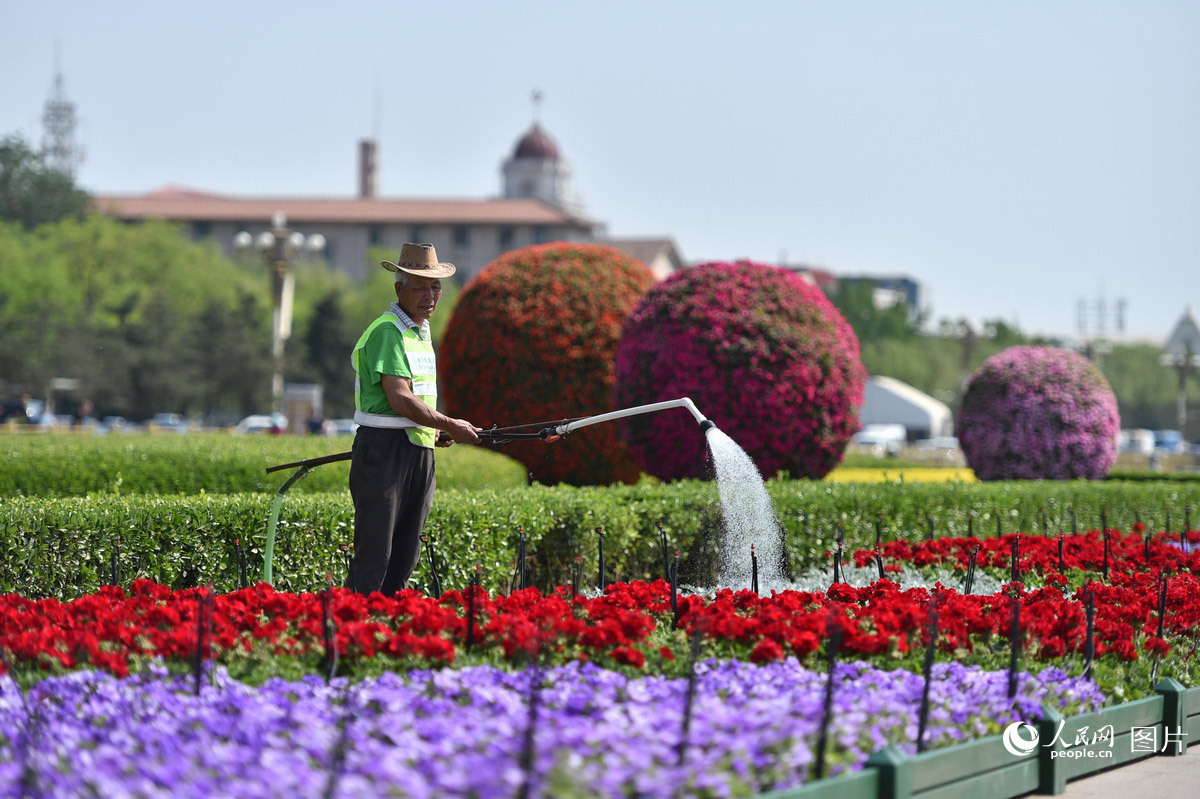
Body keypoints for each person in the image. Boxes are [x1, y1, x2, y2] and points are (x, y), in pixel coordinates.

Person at [348, 242, 480, 595]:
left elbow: (416, 400)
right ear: (399, 289)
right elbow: (401, 398)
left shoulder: (419, 332)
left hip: (418, 450)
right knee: (375, 557)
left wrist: (434, 430)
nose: (430, 295)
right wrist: (448, 424)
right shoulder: (388, 331)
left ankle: (393, 622)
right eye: (420, 286)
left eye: (435, 286)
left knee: (405, 557)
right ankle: (352, 622)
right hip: (384, 452)